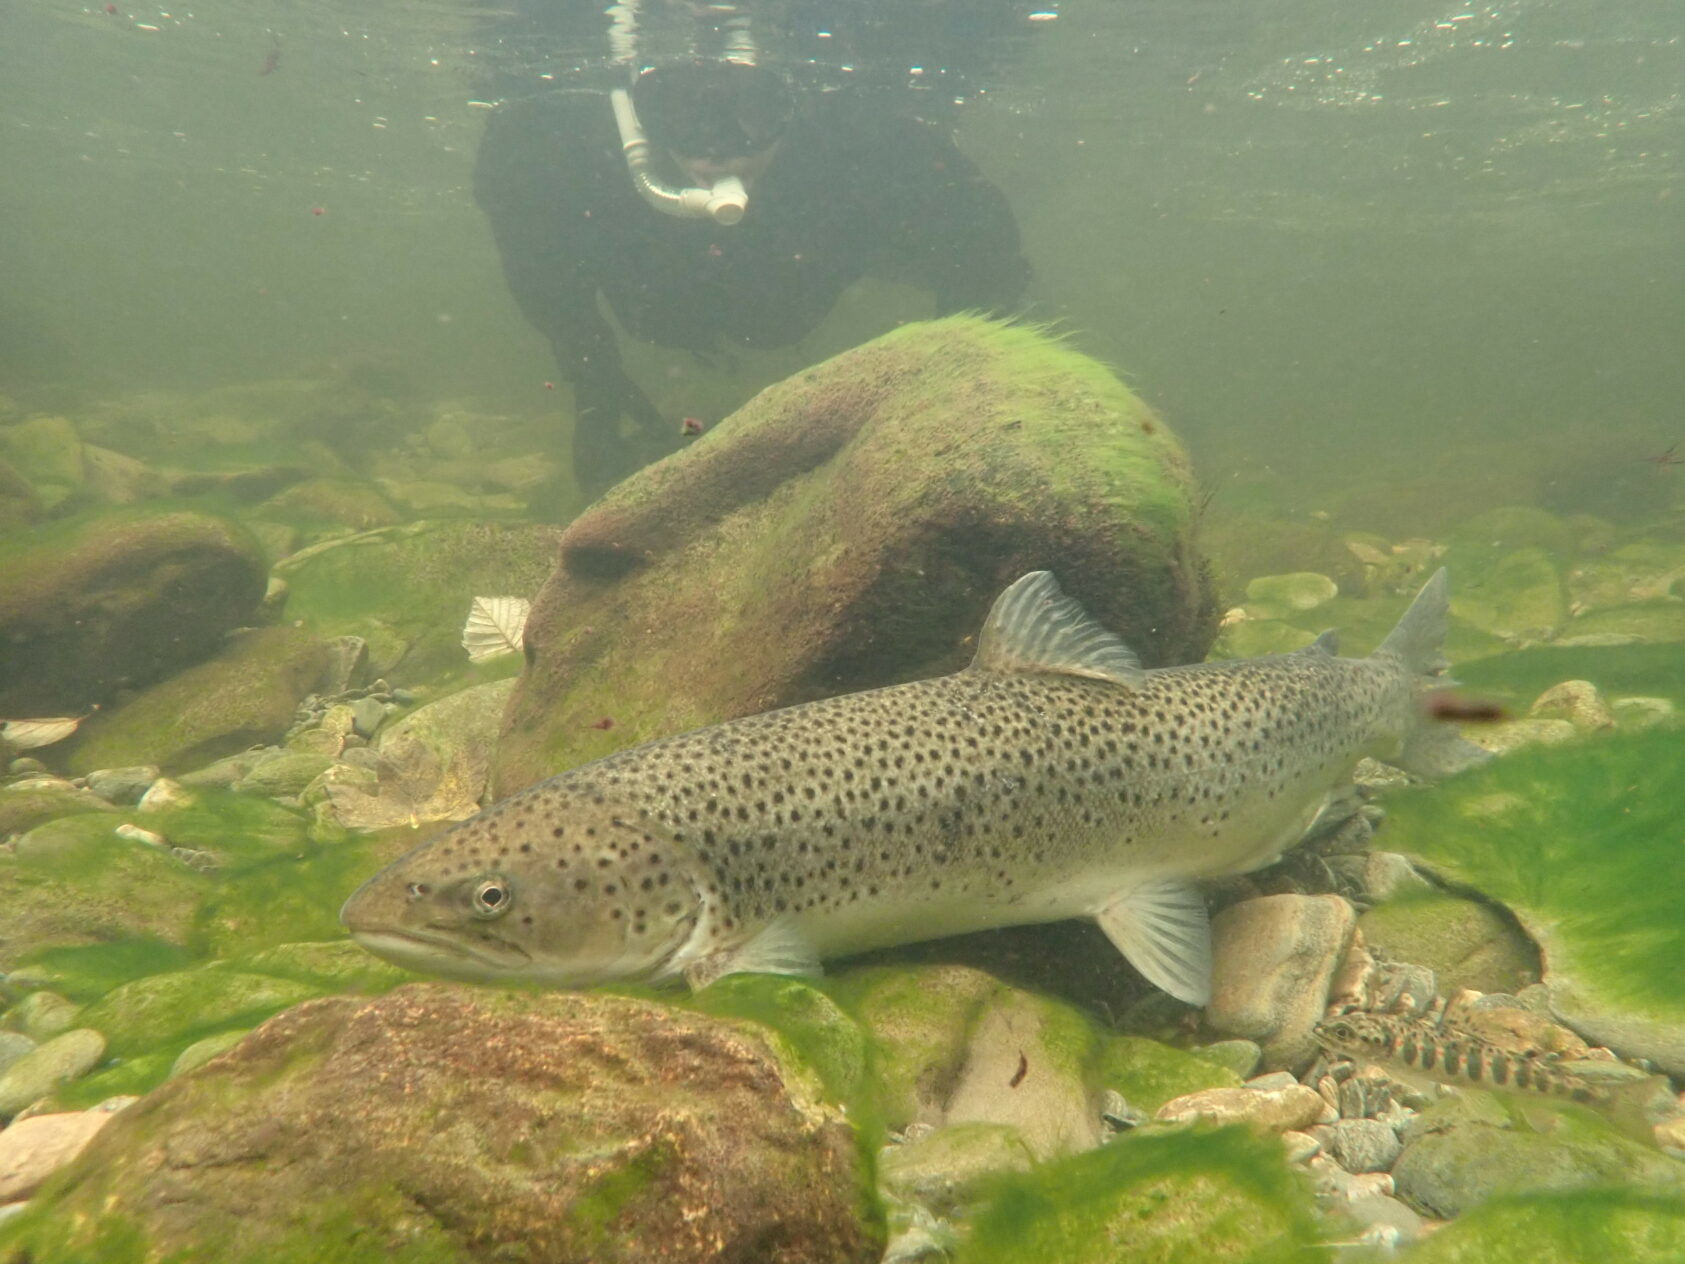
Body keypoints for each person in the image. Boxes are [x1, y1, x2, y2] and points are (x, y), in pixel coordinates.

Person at [473, 59, 1031, 497]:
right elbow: (533, 251)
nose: (715, 152)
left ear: (794, 101)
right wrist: (592, 376)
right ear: (636, 110)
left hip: (802, 265)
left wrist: (942, 404)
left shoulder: (867, 146)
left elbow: (989, 257)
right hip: (664, 296)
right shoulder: (555, 144)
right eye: (679, 109)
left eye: (752, 110)